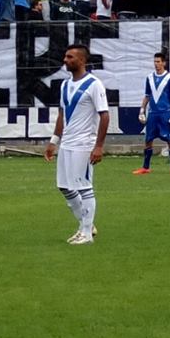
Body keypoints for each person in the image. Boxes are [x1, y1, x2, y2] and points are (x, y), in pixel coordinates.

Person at [43, 43, 109, 245]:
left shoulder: (94, 84)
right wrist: (54, 141)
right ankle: (86, 225)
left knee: (84, 187)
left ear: (82, 60)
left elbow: (104, 116)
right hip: (67, 144)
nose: (65, 60)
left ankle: (86, 234)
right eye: (65, 56)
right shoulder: (65, 84)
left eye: (70, 57)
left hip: (84, 144)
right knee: (64, 186)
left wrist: (98, 146)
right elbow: (62, 114)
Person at [135, 51, 170, 176]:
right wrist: (142, 111)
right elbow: (147, 96)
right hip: (152, 114)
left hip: (165, 114)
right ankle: (145, 167)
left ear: (164, 63)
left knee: (169, 140)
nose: (156, 64)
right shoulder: (149, 78)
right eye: (155, 61)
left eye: (158, 62)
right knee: (148, 140)